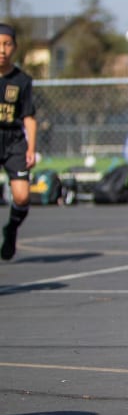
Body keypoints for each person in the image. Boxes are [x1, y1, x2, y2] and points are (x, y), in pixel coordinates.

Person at [0, 23, 37, 261]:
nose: (2, 49)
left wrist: (31, 147)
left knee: (22, 196)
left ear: (14, 47)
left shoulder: (22, 80)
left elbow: (29, 117)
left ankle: (11, 229)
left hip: (13, 141)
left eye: (6, 44)